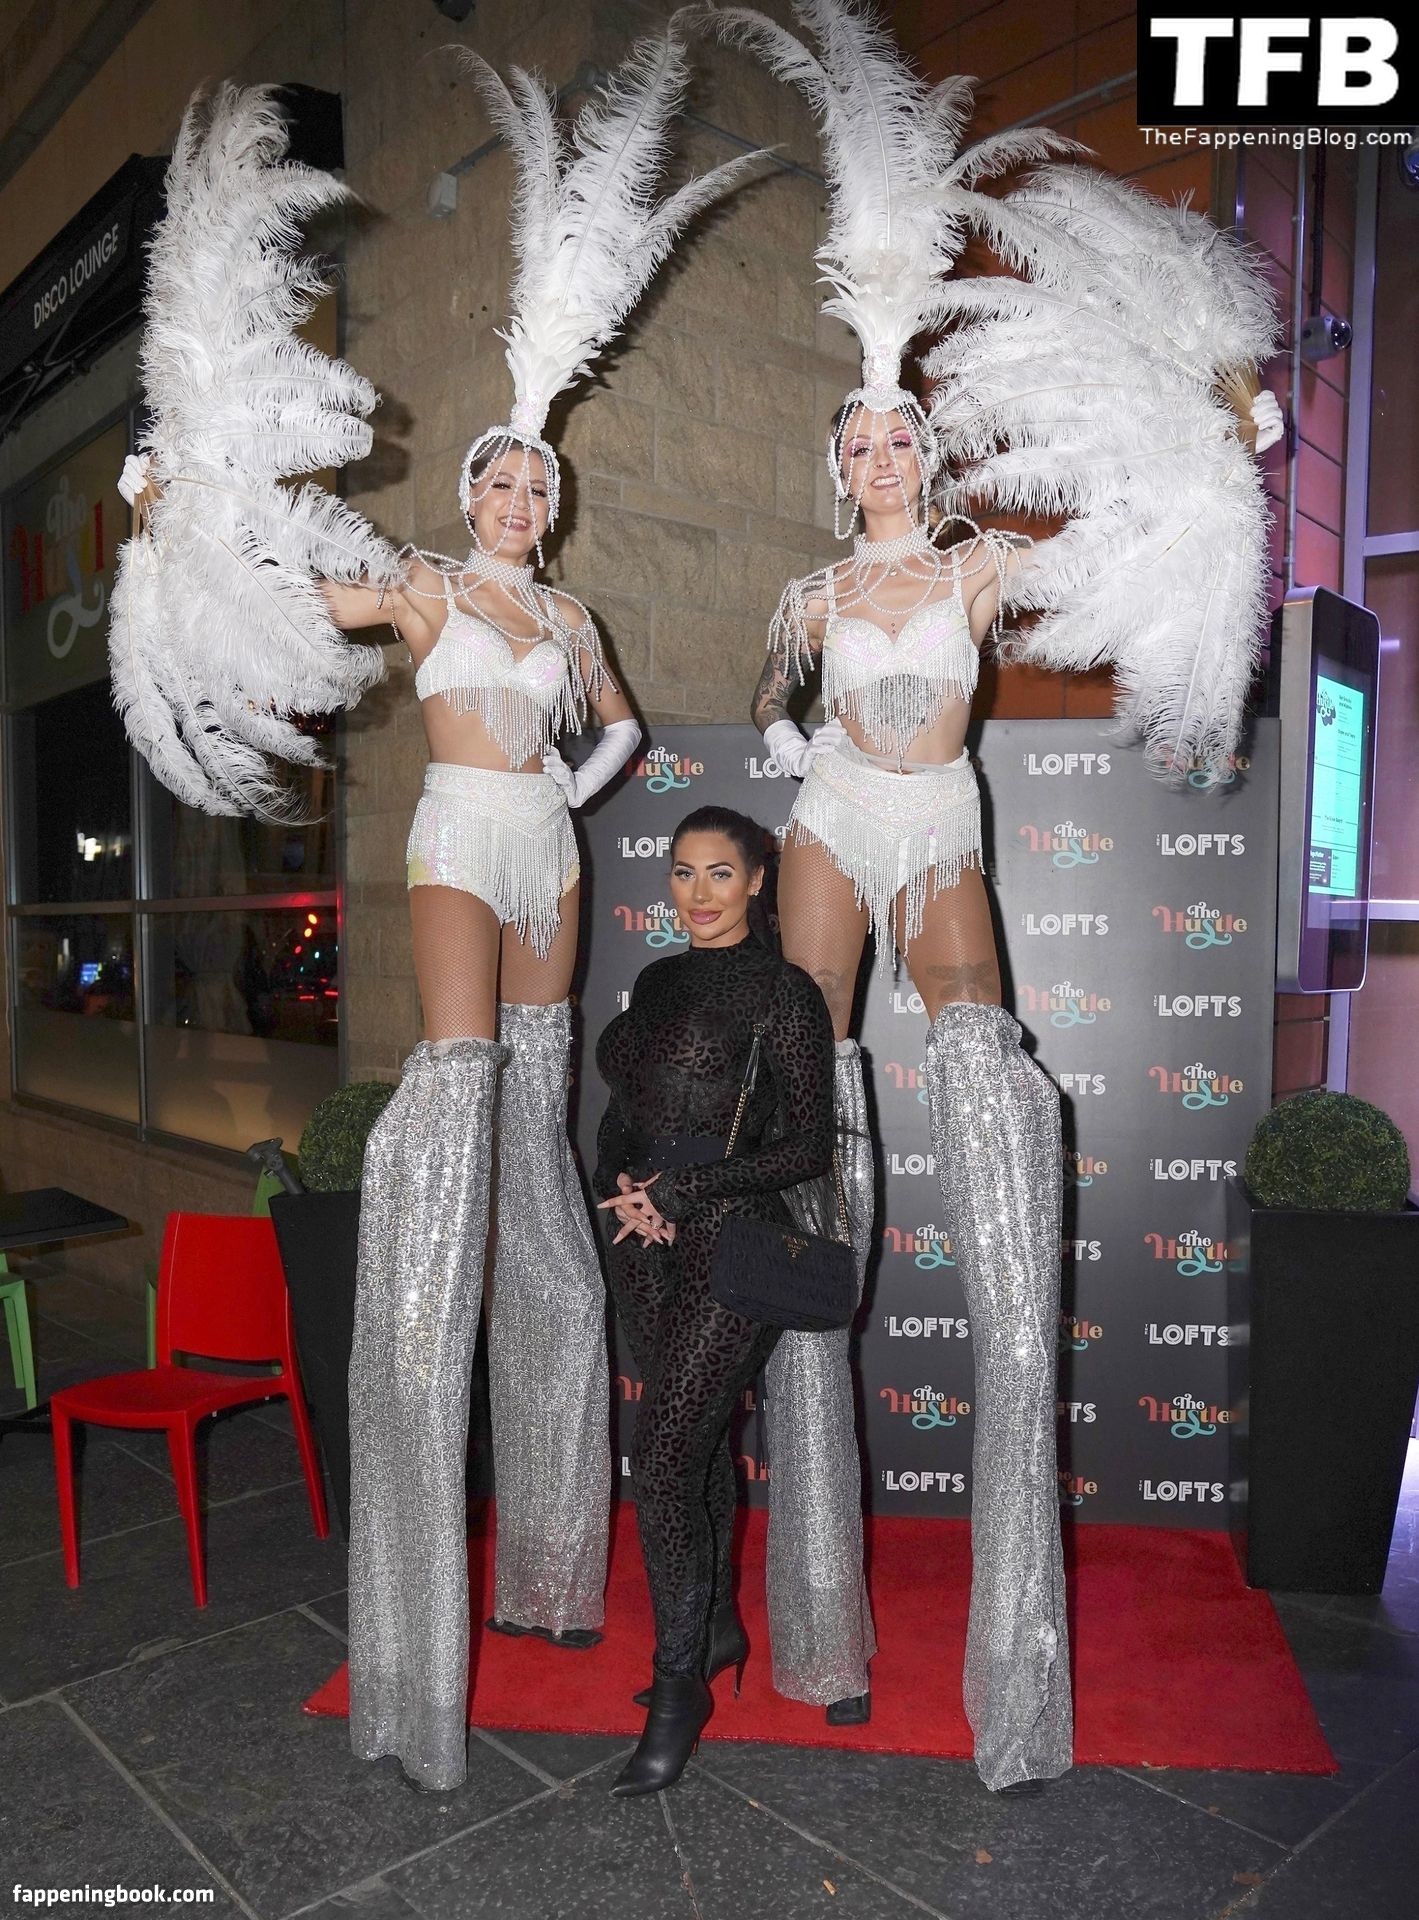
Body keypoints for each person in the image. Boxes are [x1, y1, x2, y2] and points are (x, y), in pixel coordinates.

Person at [108, 36, 764, 1797]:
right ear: (469, 493)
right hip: (458, 843)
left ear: (553, 500)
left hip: (546, 849)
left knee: (539, 1155)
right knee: (454, 1117)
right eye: (496, 483)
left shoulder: (568, 618)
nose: (515, 501)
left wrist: (577, 787)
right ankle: (410, 1605)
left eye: (534, 487)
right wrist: (172, 514)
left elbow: (616, 724)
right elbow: (294, 595)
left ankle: (551, 1558)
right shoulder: (417, 586)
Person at [721, 0, 1282, 1793]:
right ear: (836, 463)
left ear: (923, 452)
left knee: (981, 1069)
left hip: (939, 819)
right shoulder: (808, 600)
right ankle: (814, 1609)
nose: (882, 458)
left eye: (901, 438)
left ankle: (1012, 1636)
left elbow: (1114, 544)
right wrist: (797, 760)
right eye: (860, 444)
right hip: (833, 820)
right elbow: (767, 706)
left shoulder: (971, 569)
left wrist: (1221, 437)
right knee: (802, 1111)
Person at [594, 807, 836, 1795]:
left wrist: (684, 1194)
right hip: (641, 1241)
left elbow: (807, 1146)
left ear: (757, 880)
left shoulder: (784, 993)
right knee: (689, 1451)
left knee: (658, 1463)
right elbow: (629, 1112)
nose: (698, 894)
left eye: (720, 874)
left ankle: (676, 1685)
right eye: (683, 873)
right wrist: (625, 1189)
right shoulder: (658, 980)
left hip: (729, 1241)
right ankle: (718, 1627)